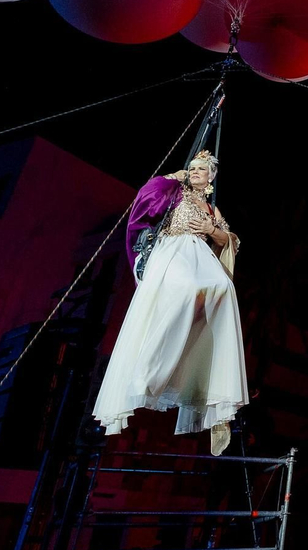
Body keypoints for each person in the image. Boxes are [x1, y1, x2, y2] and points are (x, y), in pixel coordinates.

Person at [93, 150, 250, 455]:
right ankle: (148, 367)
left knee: (222, 288)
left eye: (201, 169)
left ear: (211, 177)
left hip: (199, 256)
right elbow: (146, 197)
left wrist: (211, 230)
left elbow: (228, 240)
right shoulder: (175, 192)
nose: (194, 171)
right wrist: (173, 177)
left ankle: (214, 401)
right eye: (192, 167)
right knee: (189, 288)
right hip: (173, 252)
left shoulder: (211, 208)